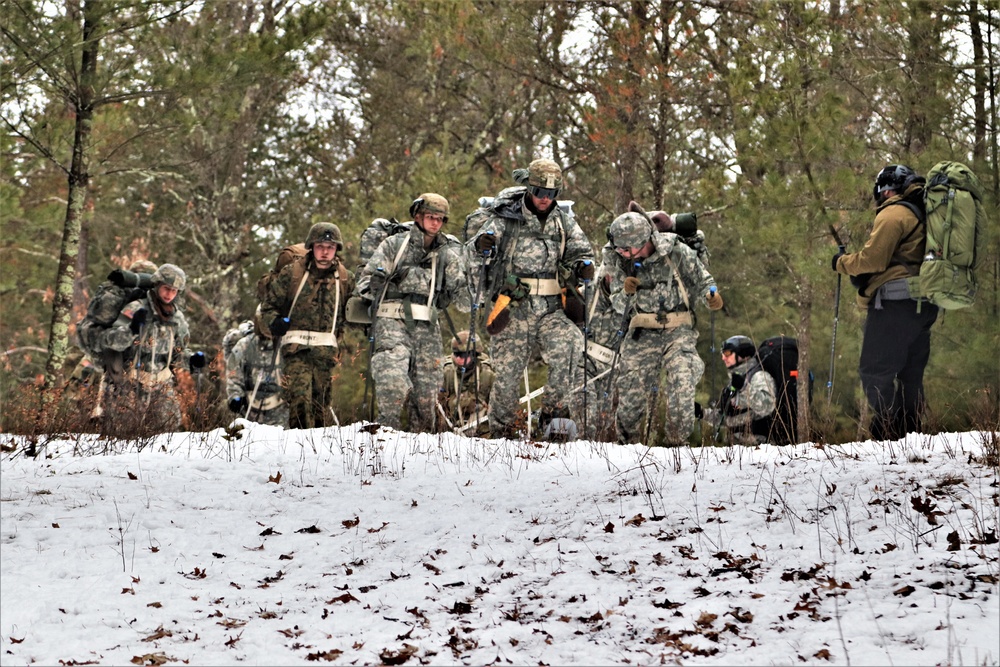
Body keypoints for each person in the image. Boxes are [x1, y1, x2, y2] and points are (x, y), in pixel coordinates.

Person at [468, 159, 595, 439]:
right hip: (514, 307)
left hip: (552, 308)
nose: (544, 199)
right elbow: (473, 251)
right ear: (529, 188)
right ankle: (503, 430)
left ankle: (553, 416)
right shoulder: (506, 217)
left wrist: (583, 266)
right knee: (506, 373)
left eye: (551, 194)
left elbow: (582, 252)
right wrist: (481, 246)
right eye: (539, 192)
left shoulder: (563, 221)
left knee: (570, 348)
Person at [832, 164, 938, 440]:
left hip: (895, 303)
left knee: (874, 372)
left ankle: (889, 432)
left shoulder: (894, 213)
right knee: (909, 376)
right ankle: (911, 435)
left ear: (884, 190)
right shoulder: (924, 213)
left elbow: (873, 259)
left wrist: (842, 262)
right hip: (923, 304)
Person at [603, 210, 723, 445]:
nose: (622, 253)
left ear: (642, 242)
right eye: (619, 249)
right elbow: (617, 305)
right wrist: (625, 292)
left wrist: (711, 295)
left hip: (677, 330)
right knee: (631, 391)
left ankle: (676, 445)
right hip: (641, 332)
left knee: (682, 377)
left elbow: (702, 279)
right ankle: (627, 447)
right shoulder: (619, 262)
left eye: (626, 249)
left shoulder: (676, 252)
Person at [355, 194, 470, 432]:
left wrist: (475, 273)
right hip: (391, 320)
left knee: (428, 391)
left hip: (427, 325)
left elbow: (463, 296)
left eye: (440, 219)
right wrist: (382, 281)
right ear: (418, 216)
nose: (435, 223)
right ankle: (385, 437)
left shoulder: (446, 252)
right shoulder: (395, 245)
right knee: (392, 381)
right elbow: (364, 283)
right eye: (430, 217)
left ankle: (422, 447)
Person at [261, 222, 355, 430]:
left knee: (321, 404)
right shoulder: (292, 273)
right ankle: (299, 448)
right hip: (295, 350)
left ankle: (318, 451)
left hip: (325, 353)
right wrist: (275, 323)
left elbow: (353, 312)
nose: (325, 252)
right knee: (299, 399)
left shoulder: (345, 278)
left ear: (336, 250)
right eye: (320, 246)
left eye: (330, 248)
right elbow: (268, 307)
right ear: (311, 247)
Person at [100, 263, 199, 432]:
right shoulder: (135, 308)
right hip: (129, 383)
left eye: (174, 291)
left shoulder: (177, 318)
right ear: (157, 285)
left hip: (161, 385)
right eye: (167, 288)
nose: (170, 294)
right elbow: (110, 341)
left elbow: (179, 353)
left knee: (168, 435)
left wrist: (192, 360)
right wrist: (130, 330)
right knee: (123, 437)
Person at [705, 335, 777, 445]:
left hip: (758, 448)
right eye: (723, 354)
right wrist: (701, 413)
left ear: (743, 355)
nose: (723, 358)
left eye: (728, 353)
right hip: (735, 447)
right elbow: (729, 419)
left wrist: (744, 387)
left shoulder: (758, 376)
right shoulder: (736, 380)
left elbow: (767, 406)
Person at [224, 313, 287, 427]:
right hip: (250, 409)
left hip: (280, 410)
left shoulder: (286, 344)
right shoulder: (245, 345)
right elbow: (233, 372)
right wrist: (235, 396)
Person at [438, 331, 495, 435]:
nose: (460, 358)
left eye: (464, 355)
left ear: (475, 355)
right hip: (449, 434)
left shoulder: (487, 375)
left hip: (482, 435)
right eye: (457, 354)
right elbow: (437, 407)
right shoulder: (446, 373)